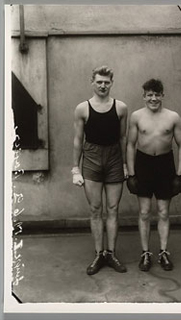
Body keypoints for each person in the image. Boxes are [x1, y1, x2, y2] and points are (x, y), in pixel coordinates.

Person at [72, 65, 128, 275]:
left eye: (107, 82)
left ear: (111, 83)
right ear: (92, 83)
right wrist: (75, 169)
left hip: (114, 158)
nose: (103, 85)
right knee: (96, 209)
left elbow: (123, 138)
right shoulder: (82, 108)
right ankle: (98, 254)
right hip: (92, 159)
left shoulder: (121, 107)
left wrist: (124, 165)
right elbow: (78, 140)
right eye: (99, 82)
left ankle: (111, 254)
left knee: (113, 209)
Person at [126, 78, 181, 272]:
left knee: (163, 212)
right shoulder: (136, 117)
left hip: (164, 165)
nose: (153, 98)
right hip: (143, 164)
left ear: (162, 95)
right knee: (144, 212)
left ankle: (163, 252)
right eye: (149, 95)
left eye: (157, 94)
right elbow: (130, 145)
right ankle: (145, 253)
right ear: (144, 96)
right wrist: (131, 173)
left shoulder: (173, 117)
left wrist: (180, 175)